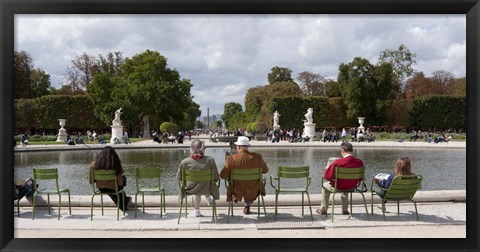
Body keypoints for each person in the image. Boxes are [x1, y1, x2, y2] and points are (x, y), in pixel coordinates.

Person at [220, 136, 269, 215]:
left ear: (238, 147)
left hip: (236, 188)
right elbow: (266, 170)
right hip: (253, 189)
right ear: (247, 147)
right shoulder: (257, 157)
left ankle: (235, 196)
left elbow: (223, 176)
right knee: (252, 184)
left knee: (236, 183)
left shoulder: (231, 158)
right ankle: (247, 205)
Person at [317, 141, 364, 216]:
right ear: (352, 151)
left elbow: (327, 177)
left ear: (342, 151)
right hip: (352, 186)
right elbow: (361, 177)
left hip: (339, 186)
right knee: (345, 183)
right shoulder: (360, 162)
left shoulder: (337, 162)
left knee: (325, 186)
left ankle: (323, 209)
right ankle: (345, 209)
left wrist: (327, 168)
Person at [176, 140, 220, 217]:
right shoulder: (210, 160)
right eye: (204, 147)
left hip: (191, 189)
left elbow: (179, 178)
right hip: (208, 188)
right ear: (201, 149)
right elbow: (216, 177)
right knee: (202, 184)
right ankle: (208, 198)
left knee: (196, 188)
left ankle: (197, 210)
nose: (205, 149)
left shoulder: (185, 162)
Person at [88, 146, 131, 212]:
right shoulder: (116, 165)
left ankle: (126, 200)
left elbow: (91, 182)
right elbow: (120, 183)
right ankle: (126, 200)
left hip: (101, 188)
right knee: (122, 182)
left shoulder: (93, 165)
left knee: (116, 191)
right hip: (114, 188)